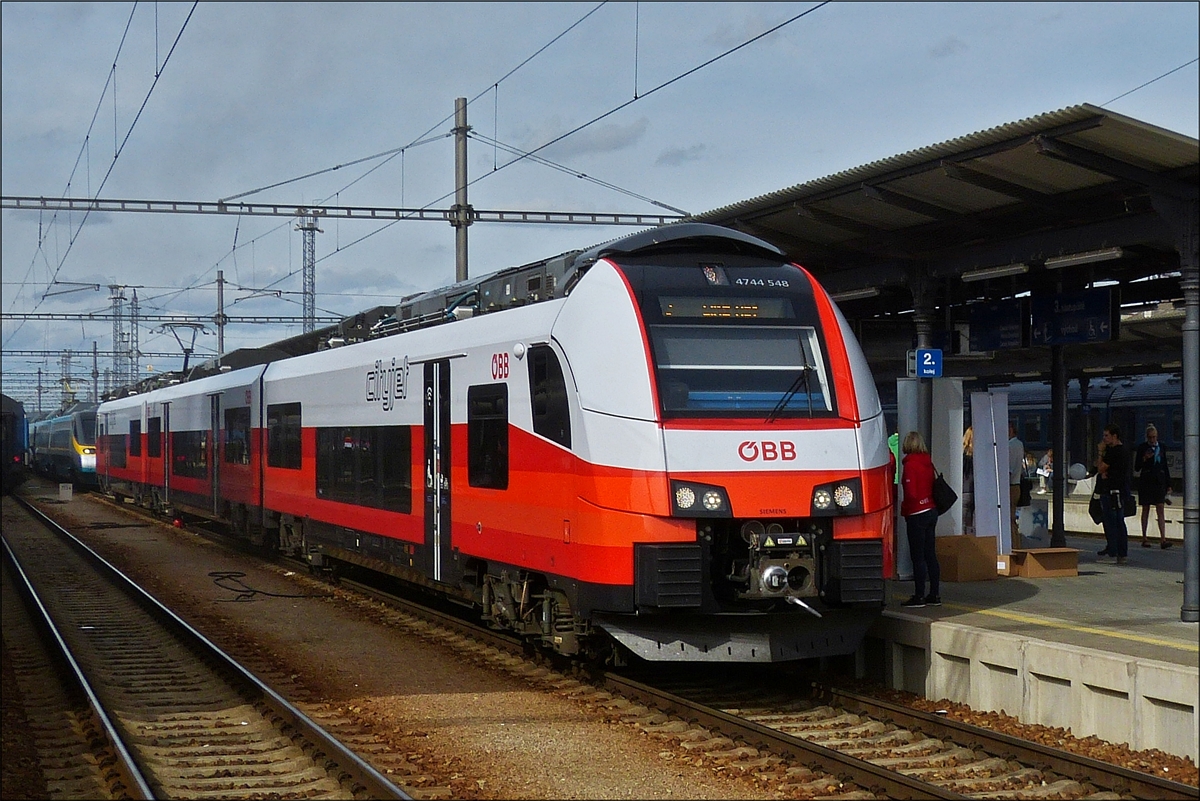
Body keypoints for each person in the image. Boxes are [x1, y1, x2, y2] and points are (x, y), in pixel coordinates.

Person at [899, 431, 940, 608]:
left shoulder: (910, 465)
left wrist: (905, 509)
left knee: (918, 556)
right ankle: (935, 594)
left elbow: (911, 494)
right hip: (931, 510)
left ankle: (919, 595)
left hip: (917, 513)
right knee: (930, 554)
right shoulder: (927, 463)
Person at [1095, 424, 1130, 564]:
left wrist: (1100, 452)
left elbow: (1100, 467)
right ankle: (1119, 552)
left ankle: (1115, 552)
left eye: (1106, 436)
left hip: (1112, 491)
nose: (1104, 439)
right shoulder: (1124, 450)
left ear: (1114, 436)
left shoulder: (1113, 452)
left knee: (1112, 522)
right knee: (1118, 522)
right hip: (1119, 490)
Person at [1134, 424, 1172, 549]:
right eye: (1150, 437)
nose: (1152, 440)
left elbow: (1165, 466)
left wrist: (1169, 484)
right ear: (1147, 437)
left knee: (1160, 508)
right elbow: (1137, 467)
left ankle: (1163, 539)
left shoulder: (1161, 447)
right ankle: (1144, 537)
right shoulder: (1142, 448)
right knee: (1146, 508)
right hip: (1146, 481)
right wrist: (1145, 458)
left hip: (1159, 481)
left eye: (1154, 437)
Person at [1008, 422, 1025, 549]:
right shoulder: (1019, 444)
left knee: (1009, 520)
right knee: (1012, 518)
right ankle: (1016, 545)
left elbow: (1008, 469)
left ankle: (1013, 547)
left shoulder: (1010, 446)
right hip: (1016, 485)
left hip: (1010, 486)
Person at [962, 427, 974, 534]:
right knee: (972, 523)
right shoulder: (979, 454)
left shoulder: (961, 455)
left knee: (962, 523)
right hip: (976, 492)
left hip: (964, 491)